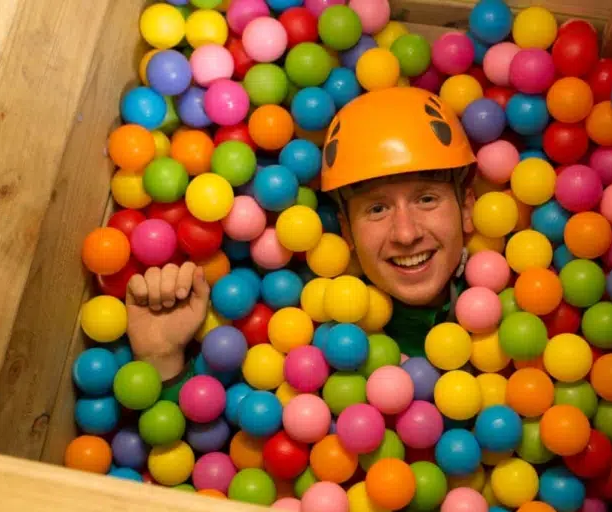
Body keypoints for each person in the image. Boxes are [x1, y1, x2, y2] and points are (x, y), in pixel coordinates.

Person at [126, 86, 478, 382]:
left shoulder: (519, 295)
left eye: (427, 199)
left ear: (466, 208)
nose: (405, 233)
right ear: (346, 231)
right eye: (377, 209)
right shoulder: (304, 337)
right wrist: (162, 358)